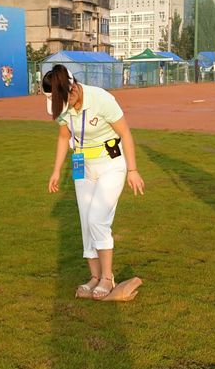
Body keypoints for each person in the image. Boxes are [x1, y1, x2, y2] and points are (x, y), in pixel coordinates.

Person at [43, 65, 145, 299]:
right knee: (86, 221)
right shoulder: (61, 106)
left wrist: (133, 170)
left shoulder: (101, 99)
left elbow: (126, 133)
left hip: (111, 164)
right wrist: (56, 171)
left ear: (73, 90)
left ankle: (108, 278)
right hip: (82, 167)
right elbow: (63, 137)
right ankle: (95, 277)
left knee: (98, 218)